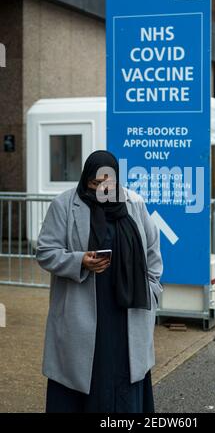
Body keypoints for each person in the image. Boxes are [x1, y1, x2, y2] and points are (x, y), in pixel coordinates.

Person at [36, 150, 163, 413]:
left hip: (128, 308)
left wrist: (153, 290)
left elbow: (152, 251)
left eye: (108, 183)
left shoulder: (134, 203)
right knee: (82, 374)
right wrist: (80, 261)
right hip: (81, 309)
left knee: (125, 371)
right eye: (95, 183)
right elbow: (46, 252)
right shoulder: (64, 204)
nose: (101, 188)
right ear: (86, 179)